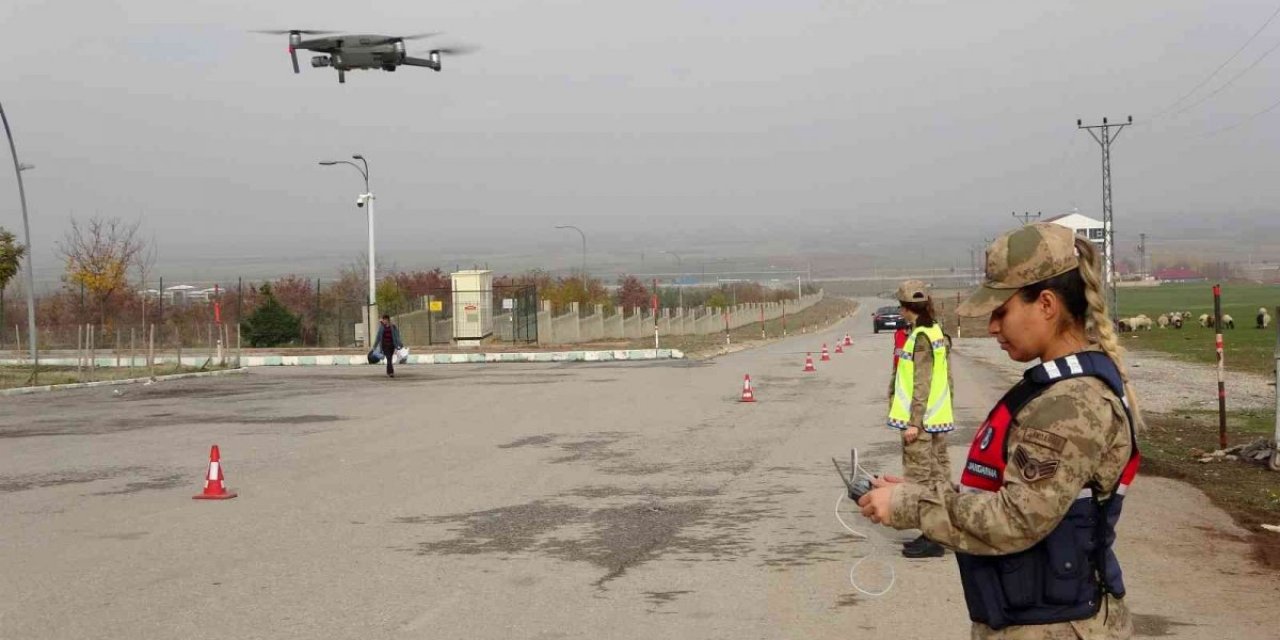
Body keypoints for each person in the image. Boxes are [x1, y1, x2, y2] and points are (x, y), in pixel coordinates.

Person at [859, 223, 1141, 639]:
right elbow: (1016, 494)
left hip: (1054, 626)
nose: (992, 327)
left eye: (1001, 312)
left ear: (1046, 304)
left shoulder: (1070, 403)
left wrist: (912, 506)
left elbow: (1016, 518)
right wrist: (919, 492)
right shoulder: (1055, 389)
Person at [886, 279, 954, 558]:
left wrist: (914, 422)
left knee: (921, 481)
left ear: (905, 307)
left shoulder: (921, 337)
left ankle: (932, 537)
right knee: (939, 478)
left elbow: (921, 382)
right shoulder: (934, 330)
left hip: (923, 422)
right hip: (936, 418)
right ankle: (938, 532)